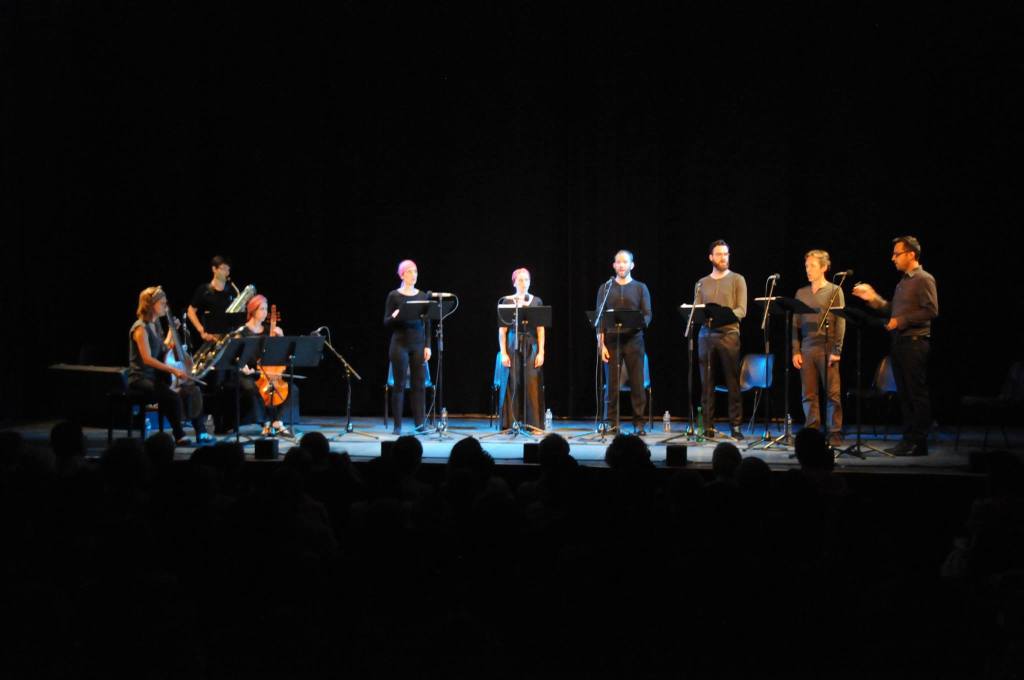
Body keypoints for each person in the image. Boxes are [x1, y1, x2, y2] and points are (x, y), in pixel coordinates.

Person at [852, 236, 939, 456]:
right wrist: (873, 298)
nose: (893, 258)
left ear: (911, 254)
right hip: (900, 343)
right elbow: (892, 310)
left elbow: (931, 310)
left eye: (897, 253)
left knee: (915, 394)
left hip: (915, 343)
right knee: (904, 394)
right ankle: (908, 440)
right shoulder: (903, 282)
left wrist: (901, 321)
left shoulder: (923, 279)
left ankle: (919, 442)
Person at [128, 286, 209, 445]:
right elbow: (147, 359)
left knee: (191, 389)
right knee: (172, 396)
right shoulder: (140, 328)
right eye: (162, 303)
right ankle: (179, 435)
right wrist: (173, 370)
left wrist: (172, 332)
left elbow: (162, 348)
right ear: (151, 305)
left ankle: (201, 432)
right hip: (141, 377)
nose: (165, 307)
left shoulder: (156, 324)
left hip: (155, 376)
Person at [792, 249, 845, 447]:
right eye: (806, 266)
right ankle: (812, 430)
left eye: (812, 266)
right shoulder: (801, 293)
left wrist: (837, 351)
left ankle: (834, 432)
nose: (808, 269)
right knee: (808, 394)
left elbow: (841, 323)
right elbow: (795, 325)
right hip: (807, 347)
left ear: (824, 267)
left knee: (832, 393)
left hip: (827, 347)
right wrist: (796, 350)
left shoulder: (834, 291)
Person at [695, 240, 747, 439]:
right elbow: (697, 309)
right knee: (706, 383)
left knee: (732, 381)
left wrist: (722, 317)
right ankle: (707, 425)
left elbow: (741, 310)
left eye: (726, 254)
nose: (723, 257)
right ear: (711, 257)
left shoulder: (737, 279)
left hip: (729, 334)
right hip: (706, 336)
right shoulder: (701, 282)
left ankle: (736, 425)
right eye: (719, 254)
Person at [596, 250, 652, 434]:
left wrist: (639, 323)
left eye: (625, 262)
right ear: (614, 265)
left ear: (631, 265)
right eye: (618, 262)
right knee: (612, 385)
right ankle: (612, 423)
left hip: (634, 340)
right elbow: (600, 318)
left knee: (637, 384)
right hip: (612, 341)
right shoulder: (605, 288)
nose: (621, 265)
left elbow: (647, 314)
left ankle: (639, 424)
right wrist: (601, 344)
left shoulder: (640, 287)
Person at [238, 294, 299, 437]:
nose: (265, 312)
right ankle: (265, 422)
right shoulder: (242, 332)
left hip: (268, 372)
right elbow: (236, 354)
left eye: (266, 309)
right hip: (249, 372)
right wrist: (242, 366)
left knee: (293, 388)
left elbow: (282, 354)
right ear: (252, 310)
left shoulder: (269, 330)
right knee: (251, 388)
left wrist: (281, 337)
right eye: (262, 309)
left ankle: (278, 422)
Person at [384, 260, 432, 435]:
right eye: (410, 271)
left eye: (416, 271)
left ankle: (420, 424)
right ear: (402, 275)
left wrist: (428, 346)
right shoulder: (394, 296)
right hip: (400, 345)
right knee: (399, 385)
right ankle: (397, 426)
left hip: (418, 345)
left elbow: (427, 323)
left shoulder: (423, 296)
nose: (414, 275)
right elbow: (386, 322)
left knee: (419, 386)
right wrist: (394, 316)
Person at [497, 268, 546, 430]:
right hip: (513, 343)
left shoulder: (536, 301)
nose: (524, 283)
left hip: (531, 344)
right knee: (513, 382)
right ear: (514, 283)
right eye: (520, 280)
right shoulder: (507, 301)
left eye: (526, 280)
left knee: (532, 382)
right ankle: (510, 423)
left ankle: (533, 424)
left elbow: (540, 329)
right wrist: (503, 352)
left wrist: (541, 351)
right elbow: (502, 331)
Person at [187, 255, 237, 343]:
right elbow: (190, 311)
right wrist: (202, 330)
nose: (227, 273)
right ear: (214, 269)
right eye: (223, 269)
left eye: (228, 270)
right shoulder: (204, 290)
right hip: (212, 339)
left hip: (230, 338)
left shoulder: (232, 290)